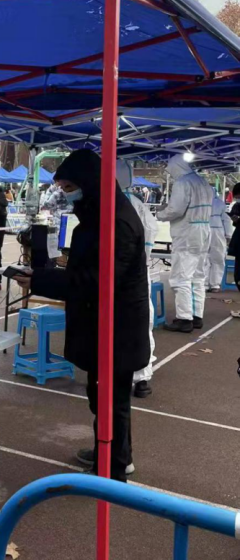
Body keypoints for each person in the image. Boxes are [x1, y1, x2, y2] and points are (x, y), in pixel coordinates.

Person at [11, 150, 149, 481]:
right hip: (103, 324)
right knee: (102, 396)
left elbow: (98, 281)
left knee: (111, 400)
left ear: (90, 183)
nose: (66, 194)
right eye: (62, 187)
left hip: (117, 328)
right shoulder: (99, 213)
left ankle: (113, 469)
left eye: (70, 187)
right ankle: (113, 452)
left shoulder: (117, 222)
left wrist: (41, 280)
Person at [157, 156, 213, 332]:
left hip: (187, 232)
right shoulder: (203, 182)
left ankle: (184, 319)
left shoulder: (182, 183)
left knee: (181, 277)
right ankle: (196, 316)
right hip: (204, 230)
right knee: (198, 276)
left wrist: (160, 214)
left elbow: (176, 210)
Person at [117, 160, 158, 398]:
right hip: (139, 272)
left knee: (114, 324)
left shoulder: (108, 203)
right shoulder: (137, 203)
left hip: (117, 275)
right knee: (142, 323)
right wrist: (145, 254)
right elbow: (151, 230)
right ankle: (142, 377)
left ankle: (114, 374)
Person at [206, 191, 232, 292]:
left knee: (203, 258)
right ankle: (215, 284)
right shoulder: (220, 203)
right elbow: (227, 220)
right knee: (218, 258)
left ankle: (204, 284)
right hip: (217, 232)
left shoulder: (200, 201)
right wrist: (228, 235)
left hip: (203, 230)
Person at [228, 184, 240, 289]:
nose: (237, 199)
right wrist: (235, 220)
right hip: (239, 239)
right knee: (238, 273)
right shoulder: (236, 206)